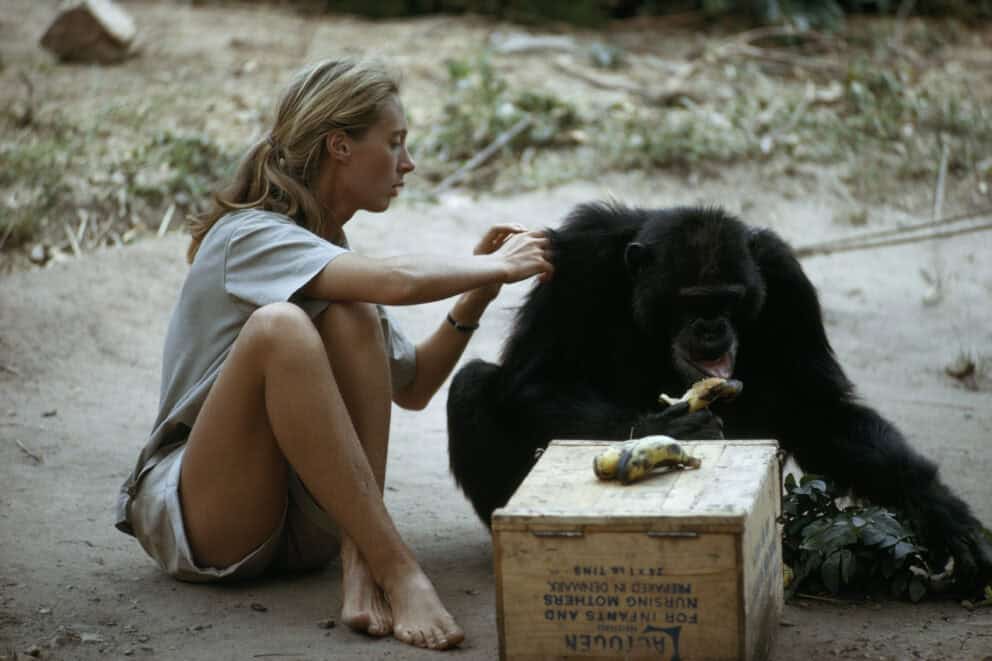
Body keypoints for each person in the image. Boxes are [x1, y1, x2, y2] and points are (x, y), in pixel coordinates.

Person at [114, 57, 553, 652]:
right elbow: (396, 280)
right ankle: (395, 567)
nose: (408, 163)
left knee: (351, 311)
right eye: (394, 143)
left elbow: (416, 384)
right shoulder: (248, 236)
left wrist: (480, 292)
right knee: (280, 328)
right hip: (211, 520)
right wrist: (499, 263)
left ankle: (360, 559)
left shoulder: (327, 252)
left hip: (305, 528)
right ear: (339, 146)